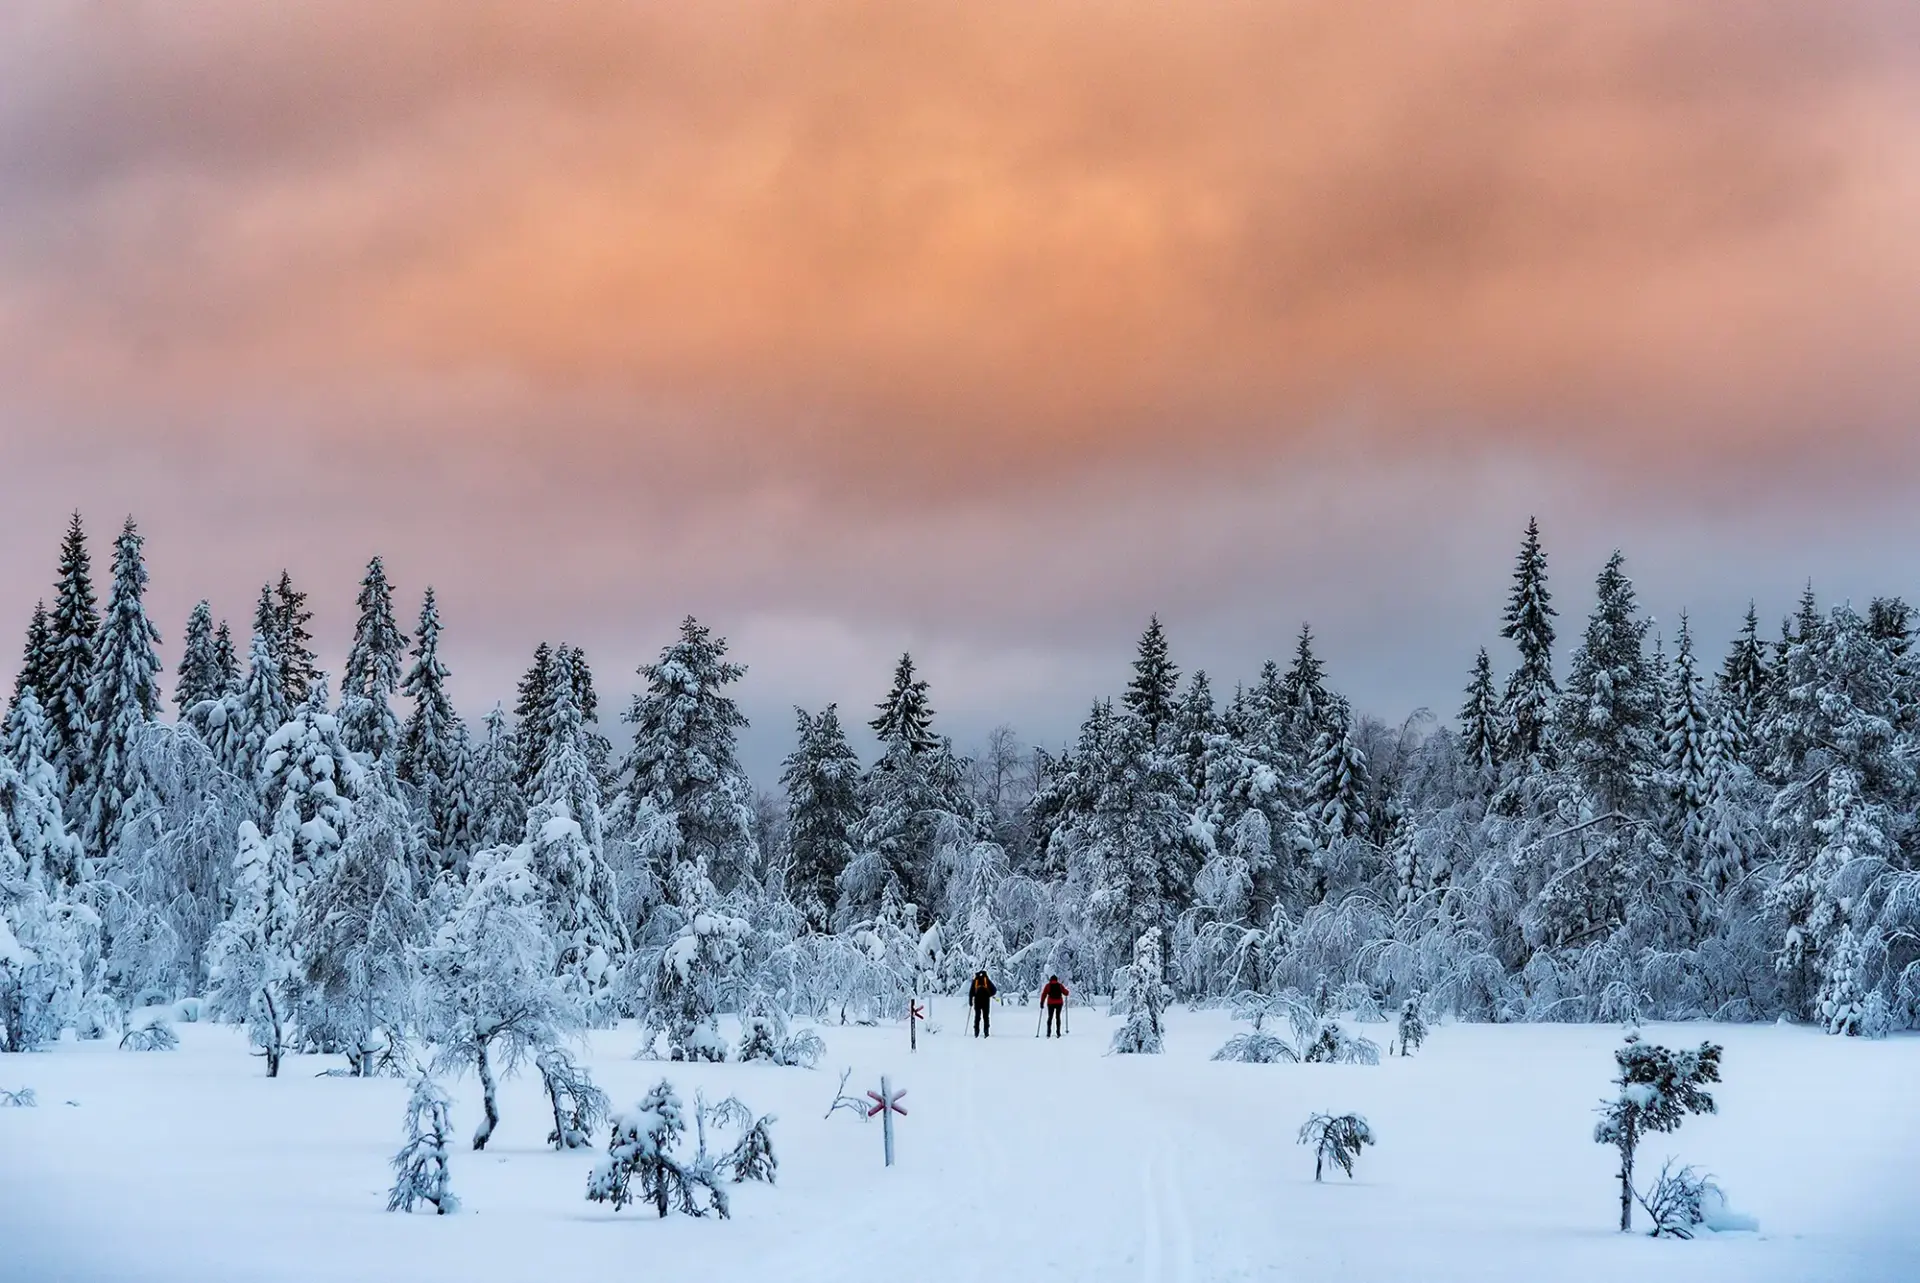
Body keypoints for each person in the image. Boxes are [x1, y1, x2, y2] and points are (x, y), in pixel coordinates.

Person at [968, 970, 997, 1037]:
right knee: (986, 1017)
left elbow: (971, 992)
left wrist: (970, 1001)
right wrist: (989, 994)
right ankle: (986, 1033)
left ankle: (976, 1033)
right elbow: (994, 990)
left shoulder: (975, 980)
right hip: (986, 1001)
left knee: (977, 1017)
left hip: (977, 1000)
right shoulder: (986, 980)